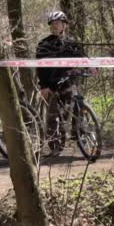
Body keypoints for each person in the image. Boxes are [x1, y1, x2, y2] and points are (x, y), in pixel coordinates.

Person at [36, 11, 92, 156]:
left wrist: (91, 66)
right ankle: (55, 147)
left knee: (77, 106)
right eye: (53, 24)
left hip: (69, 81)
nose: (55, 26)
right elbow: (40, 67)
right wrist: (43, 86)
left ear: (64, 24)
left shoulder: (72, 43)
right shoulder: (44, 44)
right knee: (53, 116)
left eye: (58, 23)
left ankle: (79, 134)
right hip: (52, 84)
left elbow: (83, 57)